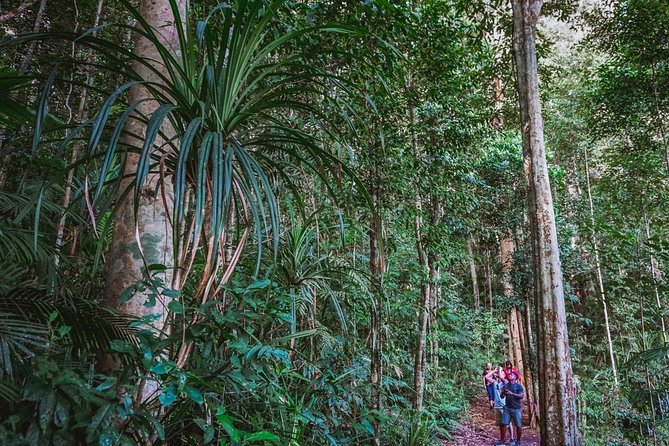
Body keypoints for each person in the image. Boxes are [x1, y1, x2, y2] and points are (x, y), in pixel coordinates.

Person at [501, 371, 525, 446]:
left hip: (516, 408)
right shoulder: (506, 385)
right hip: (507, 407)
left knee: (518, 425)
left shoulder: (518, 386)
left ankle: (518, 441)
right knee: (504, 423)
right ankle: (502, 440)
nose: (509, 375)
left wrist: (512, 393)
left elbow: (521, 396)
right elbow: (502, 396)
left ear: (515, 377)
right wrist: (503, 393)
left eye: (511, 375)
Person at [485, 366, 507, 446]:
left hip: (504, 406)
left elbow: (502, 377)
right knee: (500, 425)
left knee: (504, 424)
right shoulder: (495, 383)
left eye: (502, 373)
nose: (500, 374)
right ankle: (501, 440)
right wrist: (494, 370)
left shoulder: (506, 383)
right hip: (497, 406)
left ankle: (503, 440)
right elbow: (486, 377)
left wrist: (500, 371)